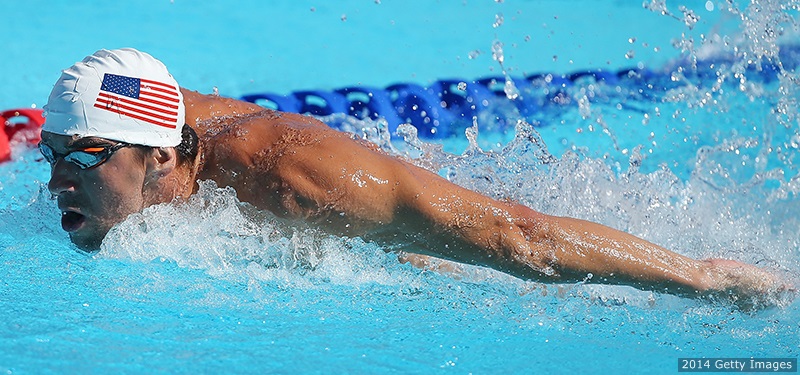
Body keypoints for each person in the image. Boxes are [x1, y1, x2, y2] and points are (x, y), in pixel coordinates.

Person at [39, 48, 787, 306]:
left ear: (159, 157)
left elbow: (519, 236)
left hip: (404, 219)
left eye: (81, 158)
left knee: (479, 251)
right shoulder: (145, 138)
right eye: (52, 154)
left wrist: (697, 277)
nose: (54, 183)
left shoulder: (292, 180)